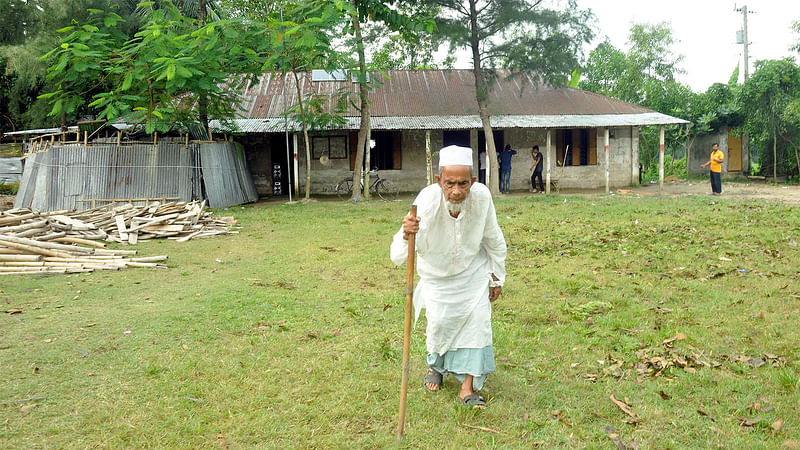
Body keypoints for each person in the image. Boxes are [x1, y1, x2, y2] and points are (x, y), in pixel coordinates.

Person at [390, 145, 507, 409]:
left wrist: (497, 277)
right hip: (437, 277)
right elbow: (398, 254)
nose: (456, 191)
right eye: (450, 183)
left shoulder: (482, 197)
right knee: (440, 324)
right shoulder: (427, 200)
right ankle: (437, 367)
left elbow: (494, 239)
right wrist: (408, 234)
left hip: (473, 273)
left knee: (477, 324)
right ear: (438, 181)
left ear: (473, 182)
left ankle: (467, 387)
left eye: (463, 184)